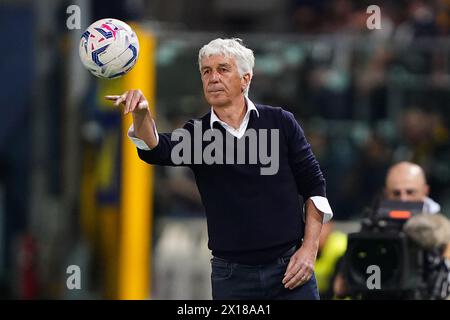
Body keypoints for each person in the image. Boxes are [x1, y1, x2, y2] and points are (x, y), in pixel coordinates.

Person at [105, 38, 333, 300]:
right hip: (232, 277)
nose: (213, 78)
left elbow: (314, 186)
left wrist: (309, 249)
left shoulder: (281, 122)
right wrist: (142, 113)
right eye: (206, 71)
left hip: (290, 270)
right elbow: (154, 148)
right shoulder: (198, 135)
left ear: (245, 79)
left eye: (222, 69)